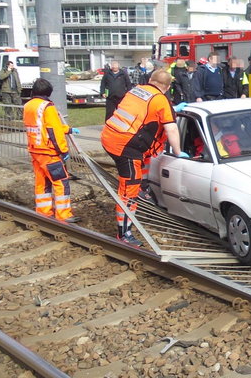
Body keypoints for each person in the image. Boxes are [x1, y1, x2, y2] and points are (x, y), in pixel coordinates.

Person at [101, 70, 187, 246]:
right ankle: (123, 233)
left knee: (144, 159)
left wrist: (171, 109)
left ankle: (142, 187)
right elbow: (171, 129)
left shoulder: (136, 89)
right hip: (126, 147)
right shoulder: (161, 100)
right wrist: (178, 152)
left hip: (109, 136)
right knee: (127, 191)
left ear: (150, 80)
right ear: (168, 87)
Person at [23, 78, 80, 223]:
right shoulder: (47, 107)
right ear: (48, 92)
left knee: (42, 182)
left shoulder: (28, 105)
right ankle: (63, 214)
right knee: (60, 182)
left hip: (35, 150)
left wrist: (68, 129)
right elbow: (53, 130)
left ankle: (43, 212)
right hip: (49, 152)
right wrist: (64, 150)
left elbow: (43, 126)